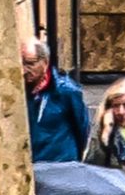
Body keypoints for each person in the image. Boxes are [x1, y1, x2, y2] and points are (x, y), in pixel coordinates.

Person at [22, 36, 92, 167]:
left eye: (30, 64)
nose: (24, 70)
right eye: (21, 63)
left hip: (61, 164)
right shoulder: (20, 91)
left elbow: (82, 128)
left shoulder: (66, 91)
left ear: (45, 62)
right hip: (33, 164)